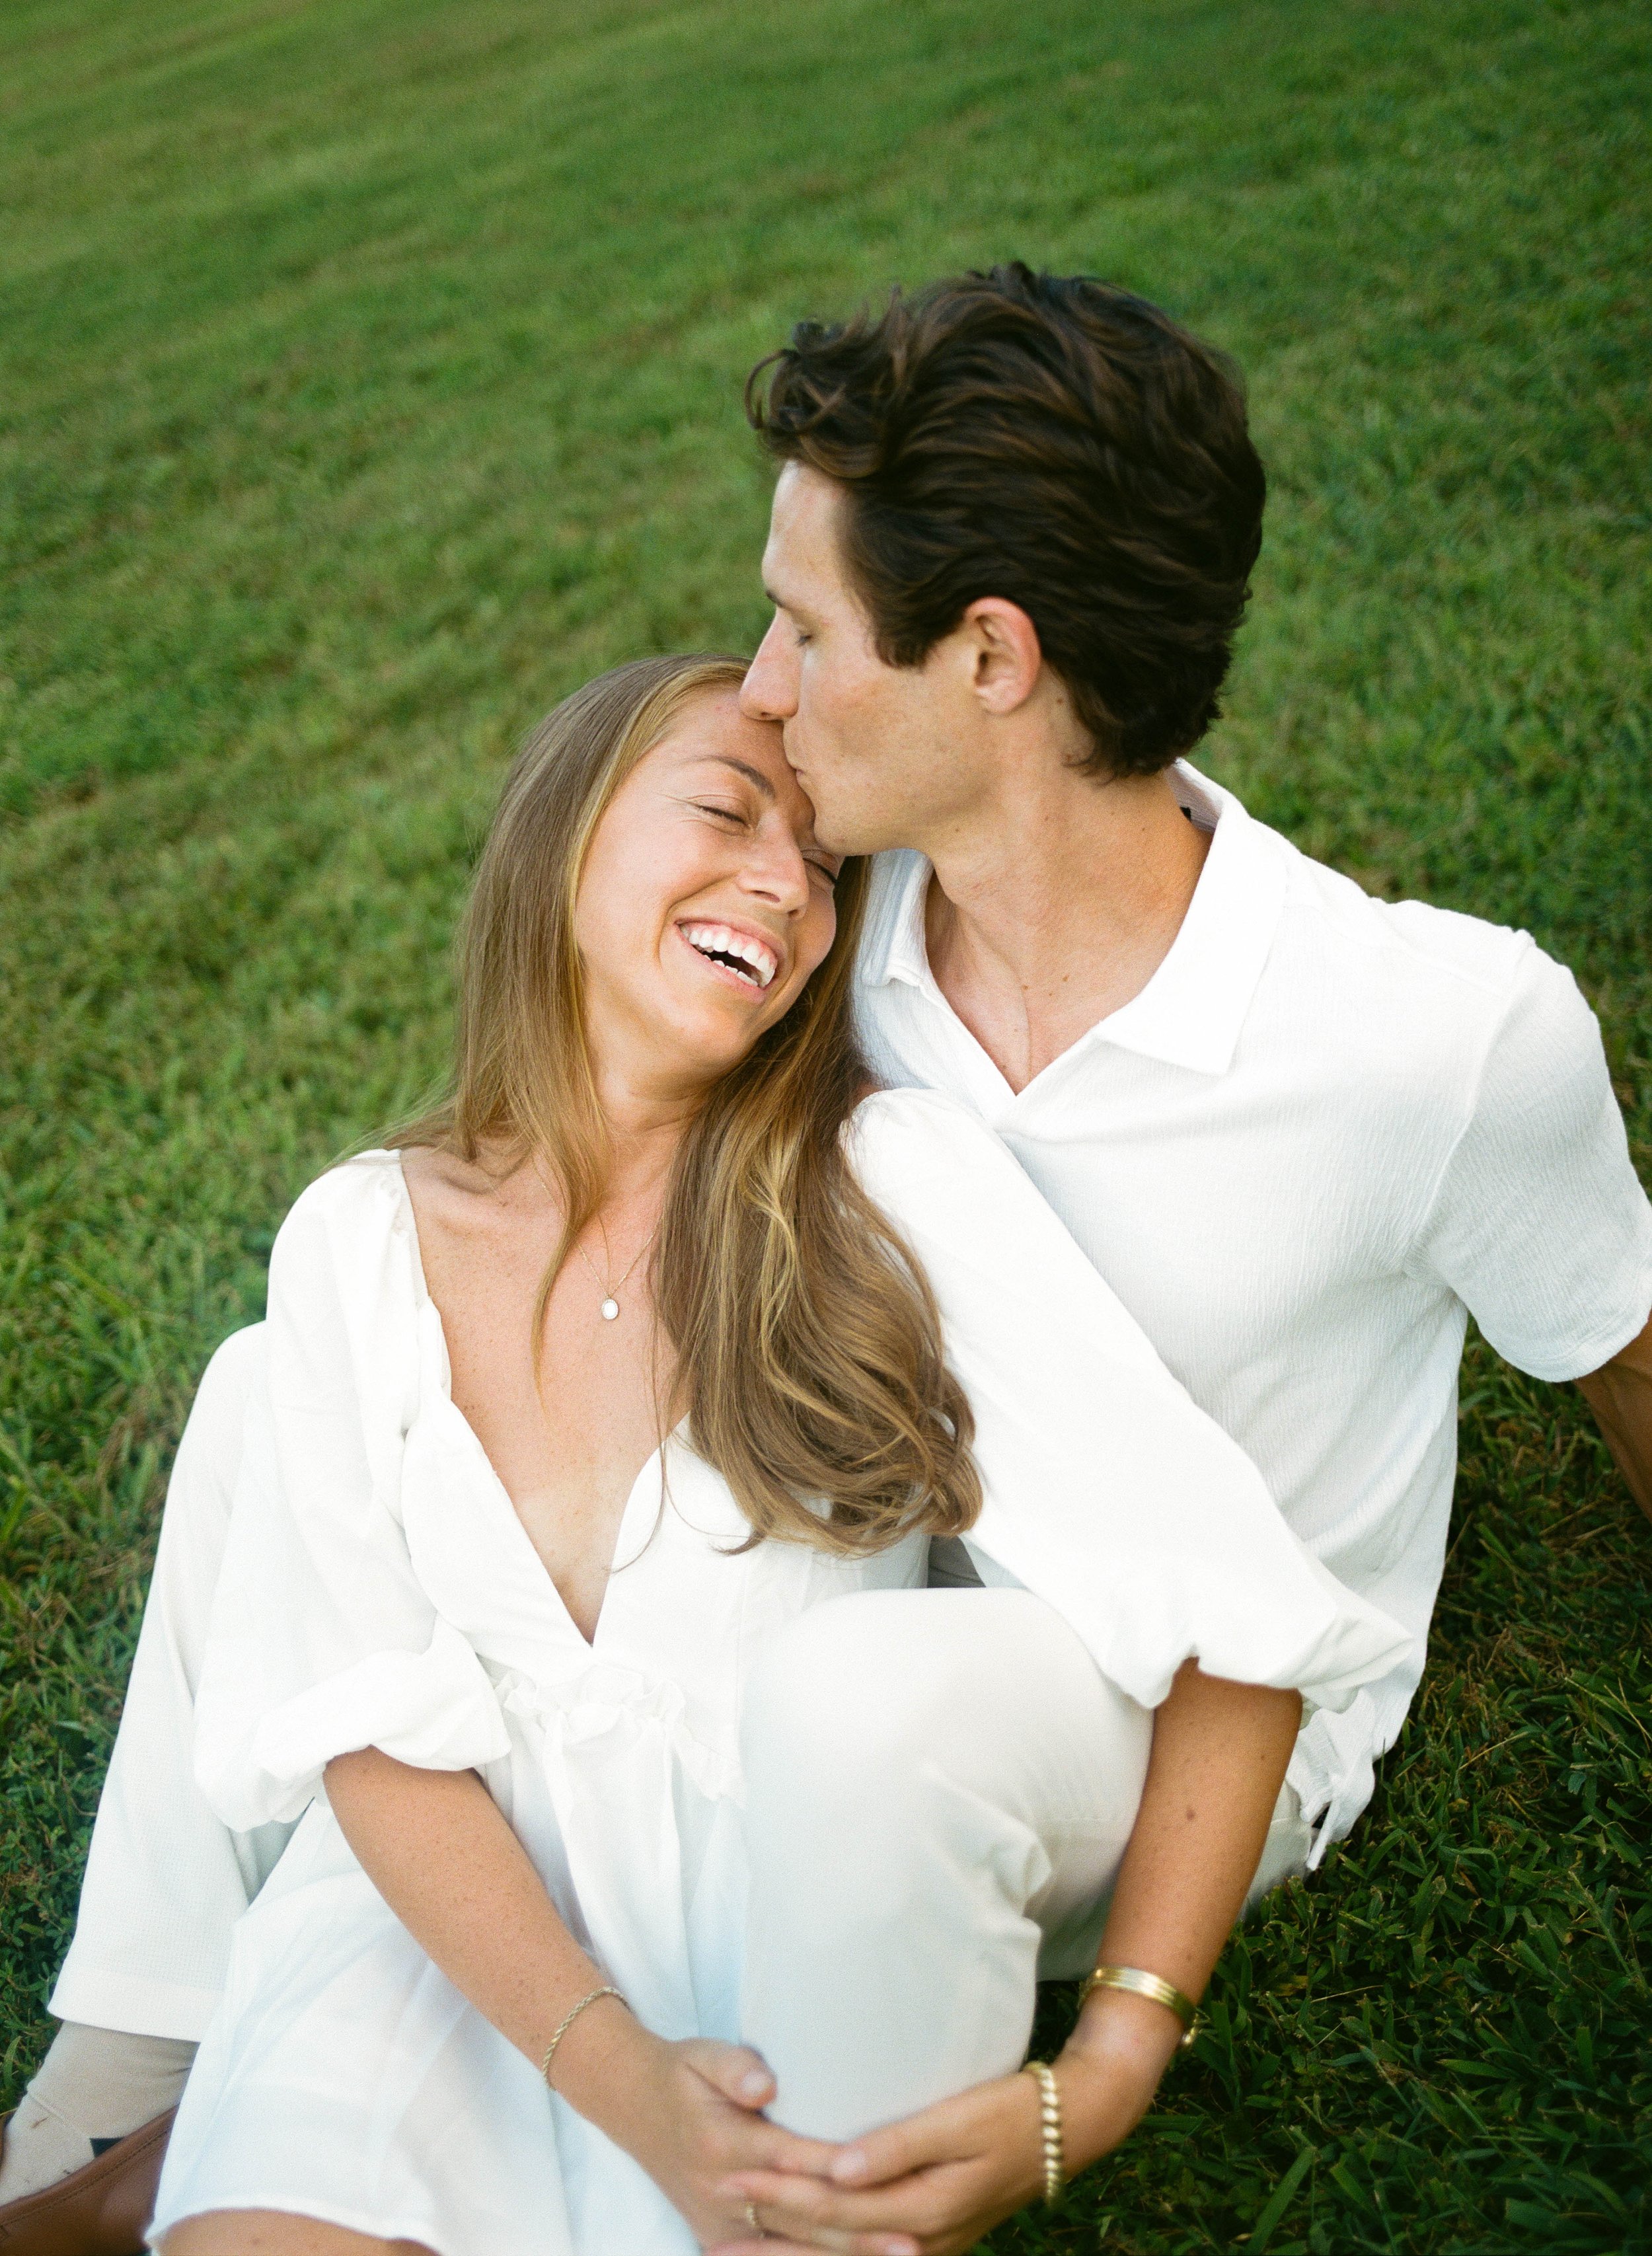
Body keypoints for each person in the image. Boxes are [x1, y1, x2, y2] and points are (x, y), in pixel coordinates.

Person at [5, 262, 1651, 2255]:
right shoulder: (831, 961)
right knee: (301, 1372)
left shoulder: (1427, 1039)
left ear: (990, 657)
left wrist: (1107, 2054)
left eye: (797, 627)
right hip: (815, 1621)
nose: (765, 685)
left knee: (861, 1703)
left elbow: (1614, 1358)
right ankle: (134, 2081)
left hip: (1151, 1721)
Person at [0, 649, 1404, 2256]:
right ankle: (147, 2159)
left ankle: (123, 2184)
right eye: (725, 811)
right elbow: (374, 1741)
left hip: (759, 1942)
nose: (782, 889)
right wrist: (610, 2075)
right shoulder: (360, 1236)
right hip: (434, 1936)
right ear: (564, 833)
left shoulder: (876, 1183)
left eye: (821, 865)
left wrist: (1112, 2049)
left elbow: (1224, 1615)